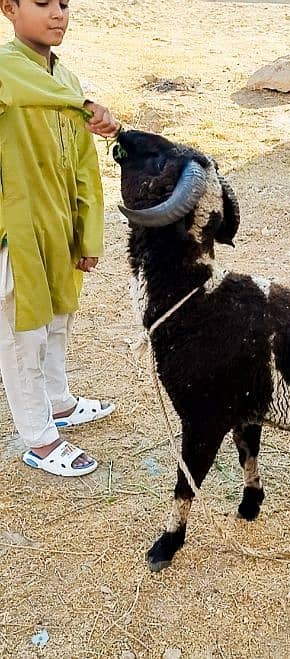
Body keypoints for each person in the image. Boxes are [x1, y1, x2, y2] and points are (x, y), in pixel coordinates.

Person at [0, 0, 120, 476]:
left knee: (57, 319)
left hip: (58, 225)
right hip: (16, 230)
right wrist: (86, 104)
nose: (58, 14)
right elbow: (22, 85)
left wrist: (88, 231)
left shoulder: (66, 79)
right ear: (9, 8)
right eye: (43, 2)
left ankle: (59, 401)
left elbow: (85, 166)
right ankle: (39, 437)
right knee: (19, 333)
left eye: (65, 4)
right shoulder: (6, 72)